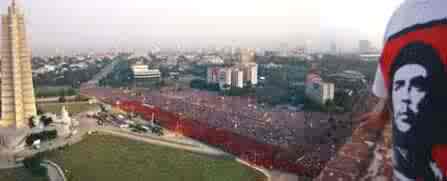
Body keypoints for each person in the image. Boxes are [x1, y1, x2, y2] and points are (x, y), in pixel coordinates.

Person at [372, 0, 447, 180]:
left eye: (417, 85)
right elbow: (385, 90)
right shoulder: (397, 18)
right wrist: (381, 115)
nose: (404, 97)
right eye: (400, 86)